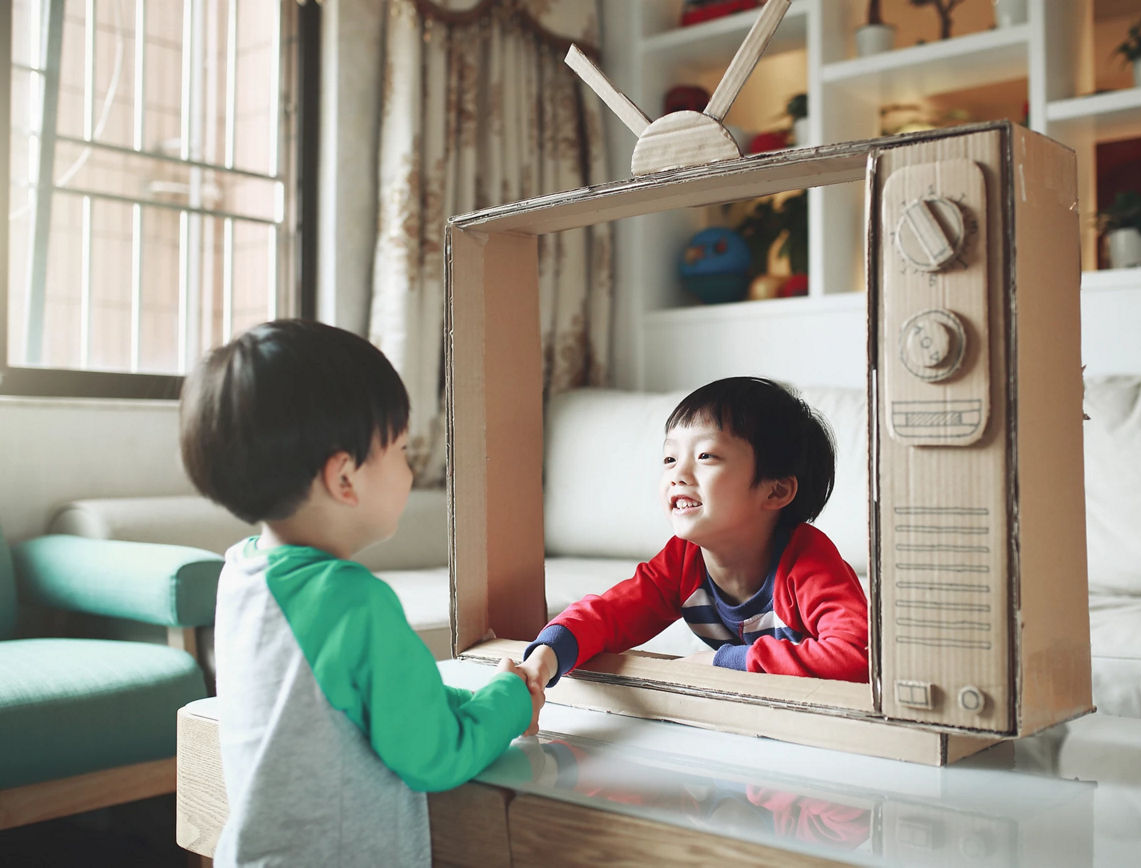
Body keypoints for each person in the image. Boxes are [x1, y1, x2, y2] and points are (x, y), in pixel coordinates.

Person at [179, 319, 542, 867]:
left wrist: (484, 695)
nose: (409, 466)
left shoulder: (243, 572)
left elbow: (365, 702)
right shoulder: (351, 599)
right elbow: (435, 756)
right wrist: (514, 702)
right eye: (399, 448)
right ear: (344, 478)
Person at [518, 376, 868, 693]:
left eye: (706, 455)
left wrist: (725, 662)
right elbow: (609, 616)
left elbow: (858, 658)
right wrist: (547, 656)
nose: (678, 474)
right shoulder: (682, 561)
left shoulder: (809, 564)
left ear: (775, 492)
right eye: (670, 458)